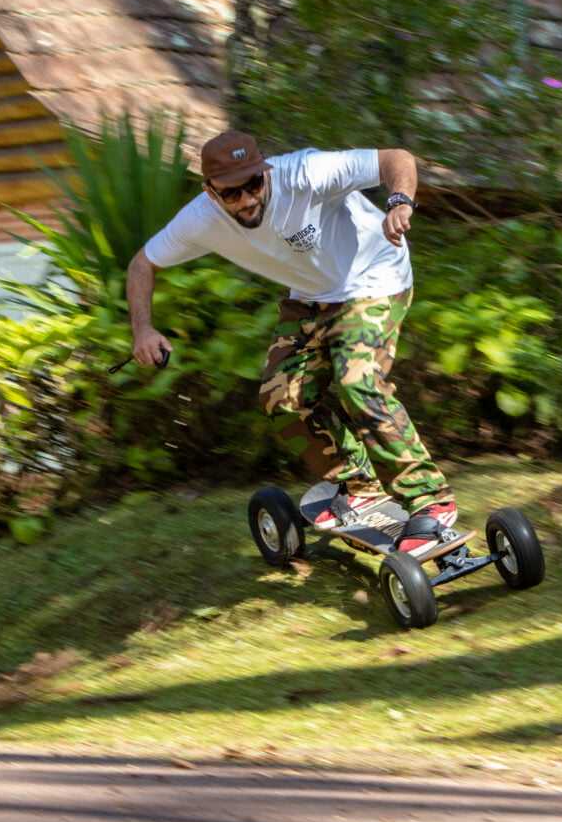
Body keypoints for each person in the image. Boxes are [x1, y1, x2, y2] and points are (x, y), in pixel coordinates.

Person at [126, 130, 457, 555]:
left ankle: (431, 499)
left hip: (376, 277)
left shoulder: (304, 172)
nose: (246, 200)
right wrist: (143, 330)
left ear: (265, 173)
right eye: (231, 193)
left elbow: (396, 158)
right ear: (210, 191)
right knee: (280, 399)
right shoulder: (199, 220)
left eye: (254, 185)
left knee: (358, 382)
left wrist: (399, 202)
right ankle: (357, 485)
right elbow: (142, 263)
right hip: (314, 299)